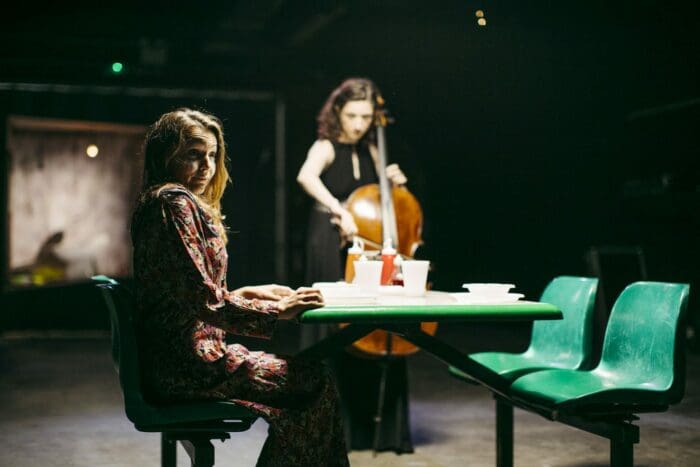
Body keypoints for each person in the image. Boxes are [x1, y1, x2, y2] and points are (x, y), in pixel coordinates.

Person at [131, 108, 349, 467]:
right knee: (314, 381)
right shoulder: (173, 203)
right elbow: (202, 300)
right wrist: (277, 311)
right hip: (188, 370)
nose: (206, 167)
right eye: (193, 155)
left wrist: (247, 294)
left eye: (212, 155)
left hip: (177, 363)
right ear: (164, 154)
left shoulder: (158, 201)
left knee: (309, 382)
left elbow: (184, 293)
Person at [296, 78, 414, 453]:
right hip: (329, 237)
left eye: (365, 117)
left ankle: (370, 430)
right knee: (332, 327)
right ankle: (327, 427)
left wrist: (396, 184)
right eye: (352, 116)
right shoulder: (325, 146)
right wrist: (338, 208)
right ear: (337, 112)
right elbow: (306, 176)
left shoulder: (373, 149)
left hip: (366, 242)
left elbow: (385, 201)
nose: (360, 124)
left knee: (370, 323)